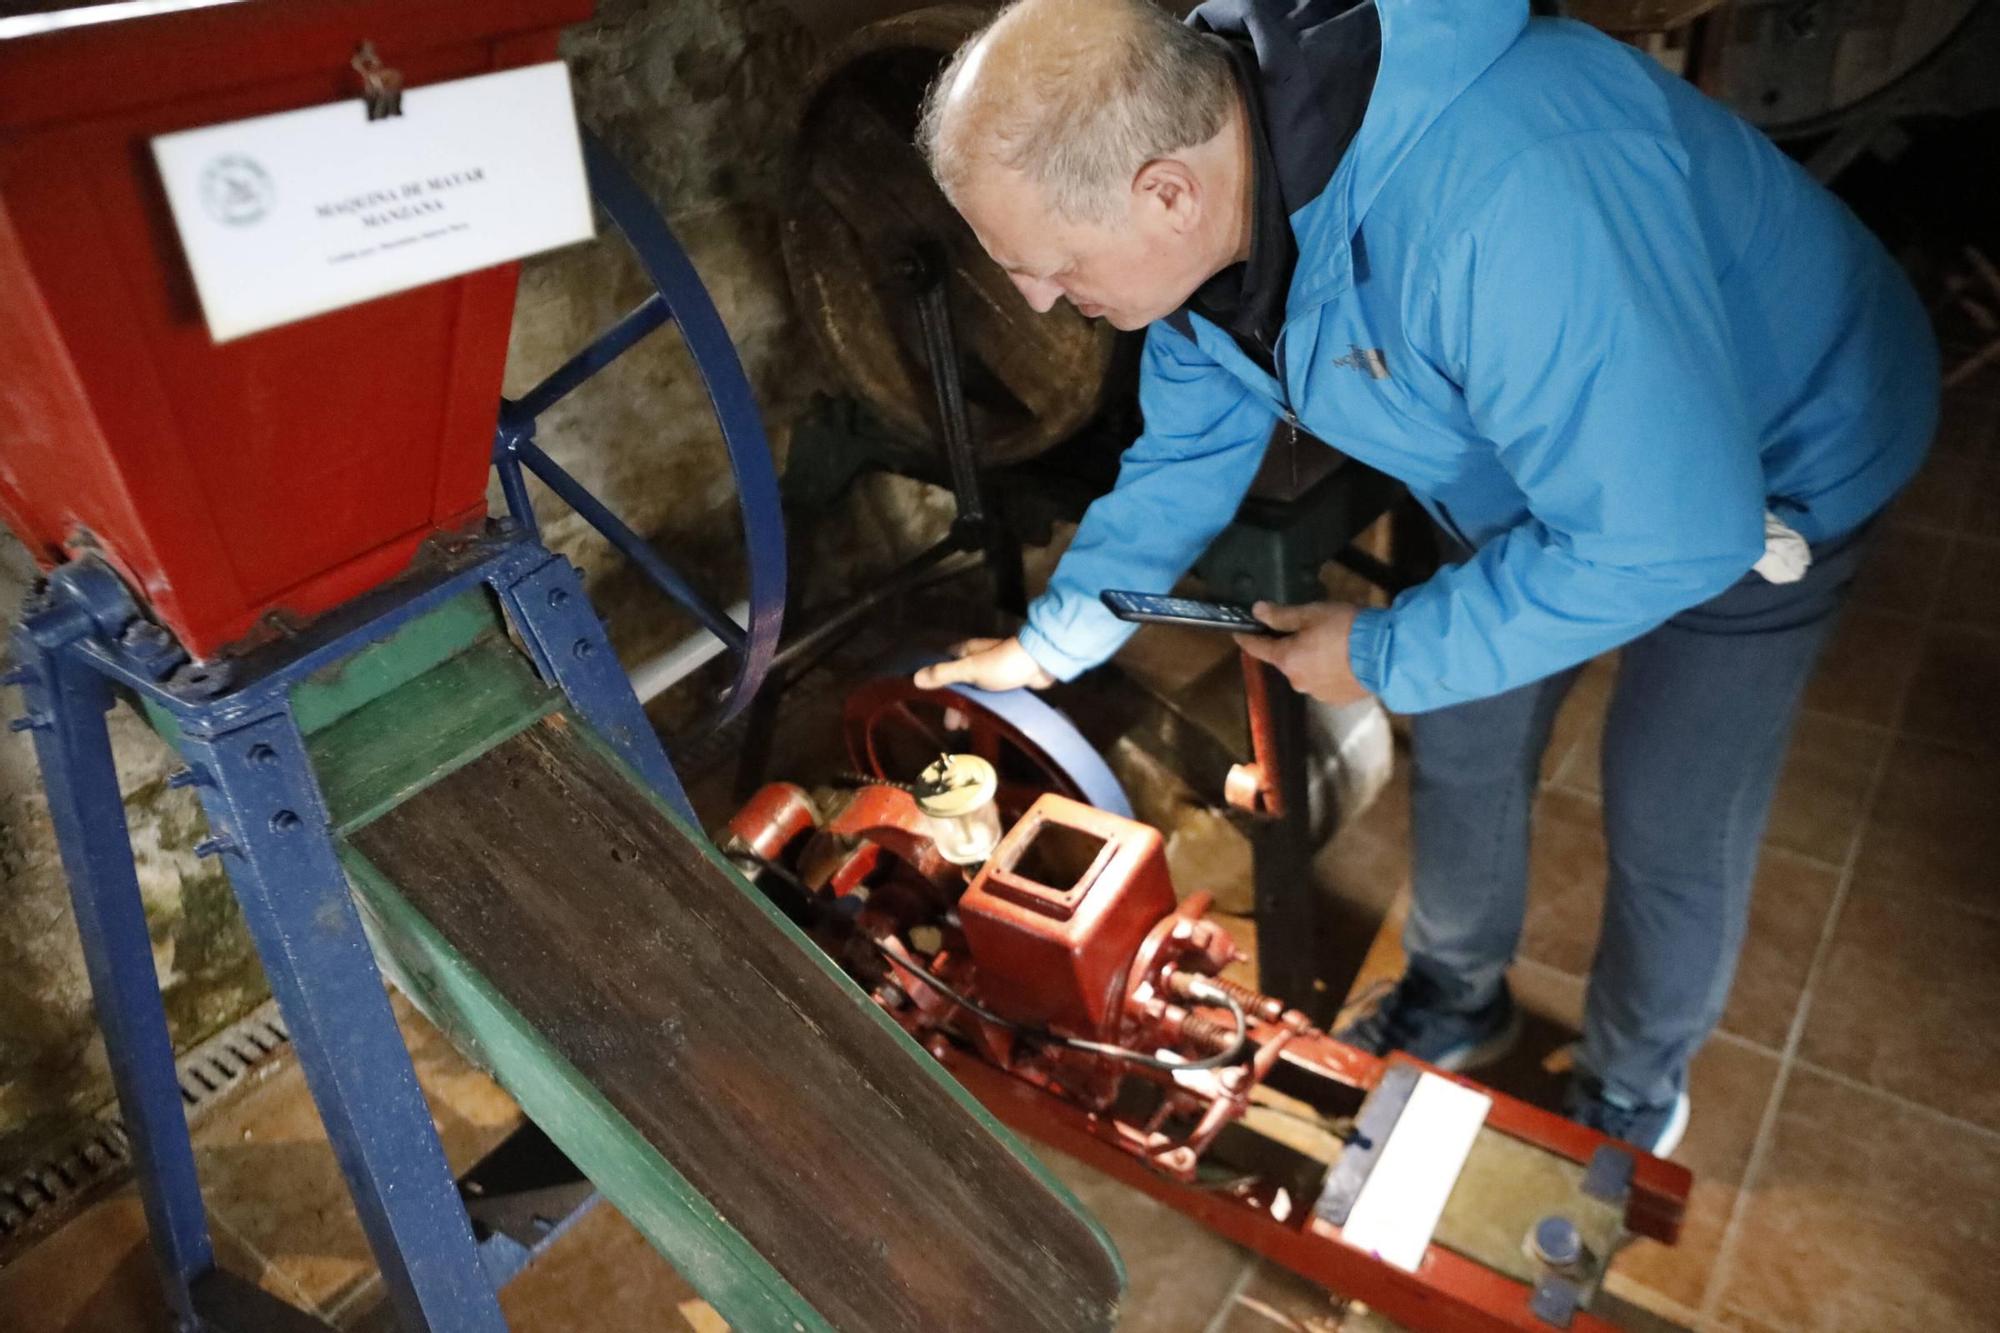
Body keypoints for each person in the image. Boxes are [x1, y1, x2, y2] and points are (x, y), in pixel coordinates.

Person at [908, 0, 1937, 1154]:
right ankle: (1455, 993)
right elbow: (1184, 458)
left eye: (1049, 266)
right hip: (1528, 467)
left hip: (1771, 473)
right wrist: (1052, 641)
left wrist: (1382, 650)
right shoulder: (1208, 227)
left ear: (1163, 193)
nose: (1041, 300)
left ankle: (1633, 1091)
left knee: (1668, 808)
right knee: (1459, 734)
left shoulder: (1508, 204)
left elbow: (1665, 536)